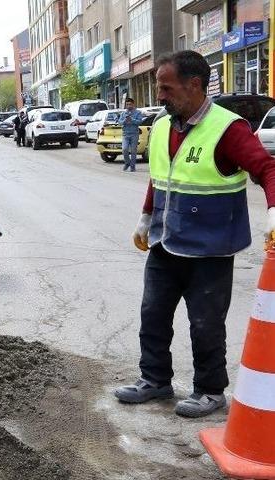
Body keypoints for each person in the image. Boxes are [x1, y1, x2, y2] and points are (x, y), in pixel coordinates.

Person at [115, 50, 275, 418]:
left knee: (205, 324)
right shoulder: (160, 125)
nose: (160, 95)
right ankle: (155, 380)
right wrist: (144, 218)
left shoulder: (228, 129)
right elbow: (161, 177)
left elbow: (267, 169)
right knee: (153, 315)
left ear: (195, 85)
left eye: (167, 88)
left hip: (211, 250)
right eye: (159, 87)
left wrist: (273, 211)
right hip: (164, 242)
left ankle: (209, 390)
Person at [118, 98, 143, 172]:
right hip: (125, 134)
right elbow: (120, 122)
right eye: (127, 104)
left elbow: (140, 122)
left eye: (130, 104)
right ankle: (127, 162)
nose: (128, 106)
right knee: (124, 149)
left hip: (134, 134)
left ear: (133, 104)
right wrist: (124, 121)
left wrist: (132, 119)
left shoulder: (138, 112)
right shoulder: (123, 113)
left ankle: (132, 166)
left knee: (133, 151)